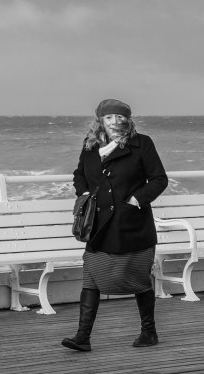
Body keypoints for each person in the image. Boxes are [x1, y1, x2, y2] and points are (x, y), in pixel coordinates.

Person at [62, 98, 169, 352]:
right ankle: (83, 336)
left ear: (128, 120)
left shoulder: (142, 143)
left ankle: (149, 332)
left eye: (120, 117)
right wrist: (84, 193)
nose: (114, 122)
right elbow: (80, 174)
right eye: (109, 117)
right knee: (90, 277)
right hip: (99, 225)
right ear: (100, 120)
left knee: (139, 279)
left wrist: (136, 200)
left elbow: (158, 179)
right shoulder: (91, 146)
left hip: (131, 224)